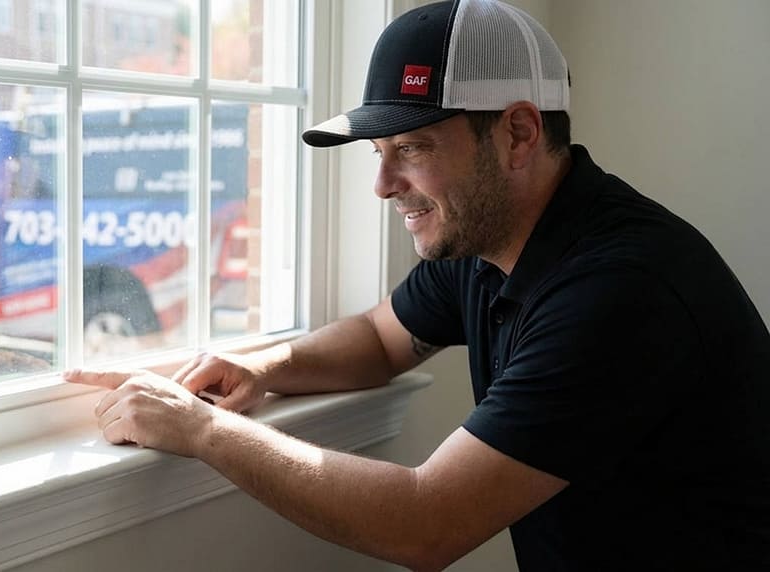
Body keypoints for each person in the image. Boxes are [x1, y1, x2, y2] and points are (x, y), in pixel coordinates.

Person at [65, 0, 770, 569]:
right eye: (379, 151)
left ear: (518, 134)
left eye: (412, 148)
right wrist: (262, 366)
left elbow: (426, 522)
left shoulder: (620, 292)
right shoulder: (490, 238)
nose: (382, 184)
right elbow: (380, 337)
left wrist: (200, 429)